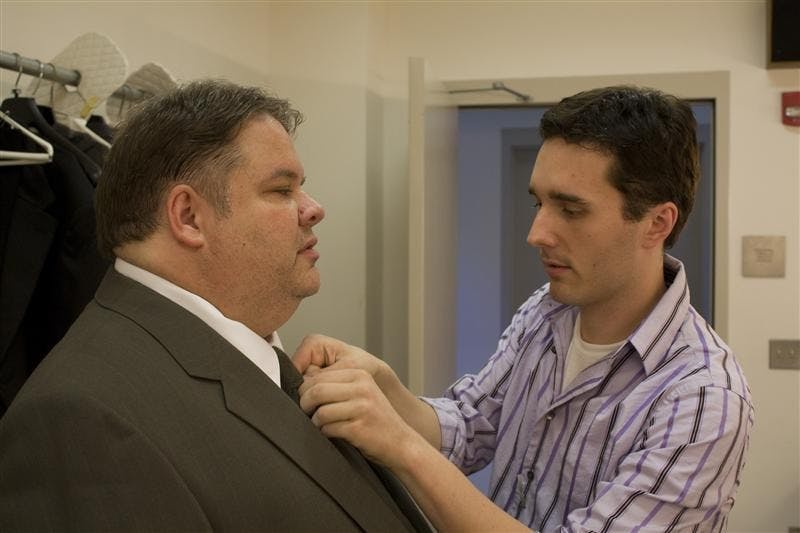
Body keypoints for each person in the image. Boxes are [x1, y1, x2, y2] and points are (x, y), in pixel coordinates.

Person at [295, 85, 754, 532]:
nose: (537, 233)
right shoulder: (546, 312)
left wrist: (401, 447)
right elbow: (471, 427)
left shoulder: (702, 400)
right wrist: (385, 387)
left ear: (656, 223)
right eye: (539, 202)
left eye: (571, 210)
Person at [0, 80, 426, 532]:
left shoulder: (258, 359)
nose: (313, 208)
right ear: (187, 217)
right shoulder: (81, 421)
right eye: (282, 190)